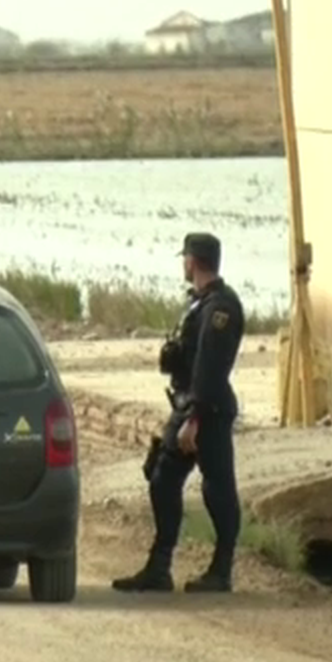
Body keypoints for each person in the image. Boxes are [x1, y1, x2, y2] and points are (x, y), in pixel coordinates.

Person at [114, 232, 247, 594]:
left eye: (185, 258)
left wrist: (194, 420)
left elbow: (210, 366)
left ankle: (221, 570)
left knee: (218, 489)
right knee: (161, 477)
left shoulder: (221, 308)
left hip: (207, 410)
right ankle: (159, 568)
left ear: (193, 261)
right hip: (189, 404)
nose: (183, 265)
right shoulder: (200, 303)